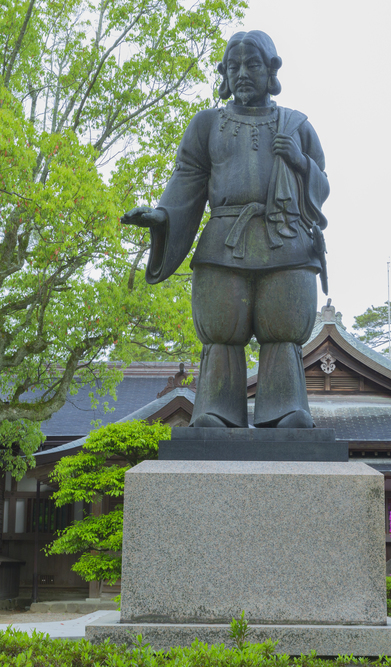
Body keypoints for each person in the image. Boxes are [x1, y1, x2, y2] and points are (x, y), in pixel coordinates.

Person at [122, 30, 329, 429]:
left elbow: (322, 185)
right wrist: (163, 217)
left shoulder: (297, 126)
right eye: (233, 66)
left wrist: (301, 162)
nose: (242, 73)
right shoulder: (207, 125)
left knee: (283, 327)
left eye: (252, 64)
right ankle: (217, 409)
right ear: (224, 73)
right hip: (223, 241)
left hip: (285, 238)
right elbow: (186, 181)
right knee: (221, 330)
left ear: (271, 70)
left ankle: (286, 407)